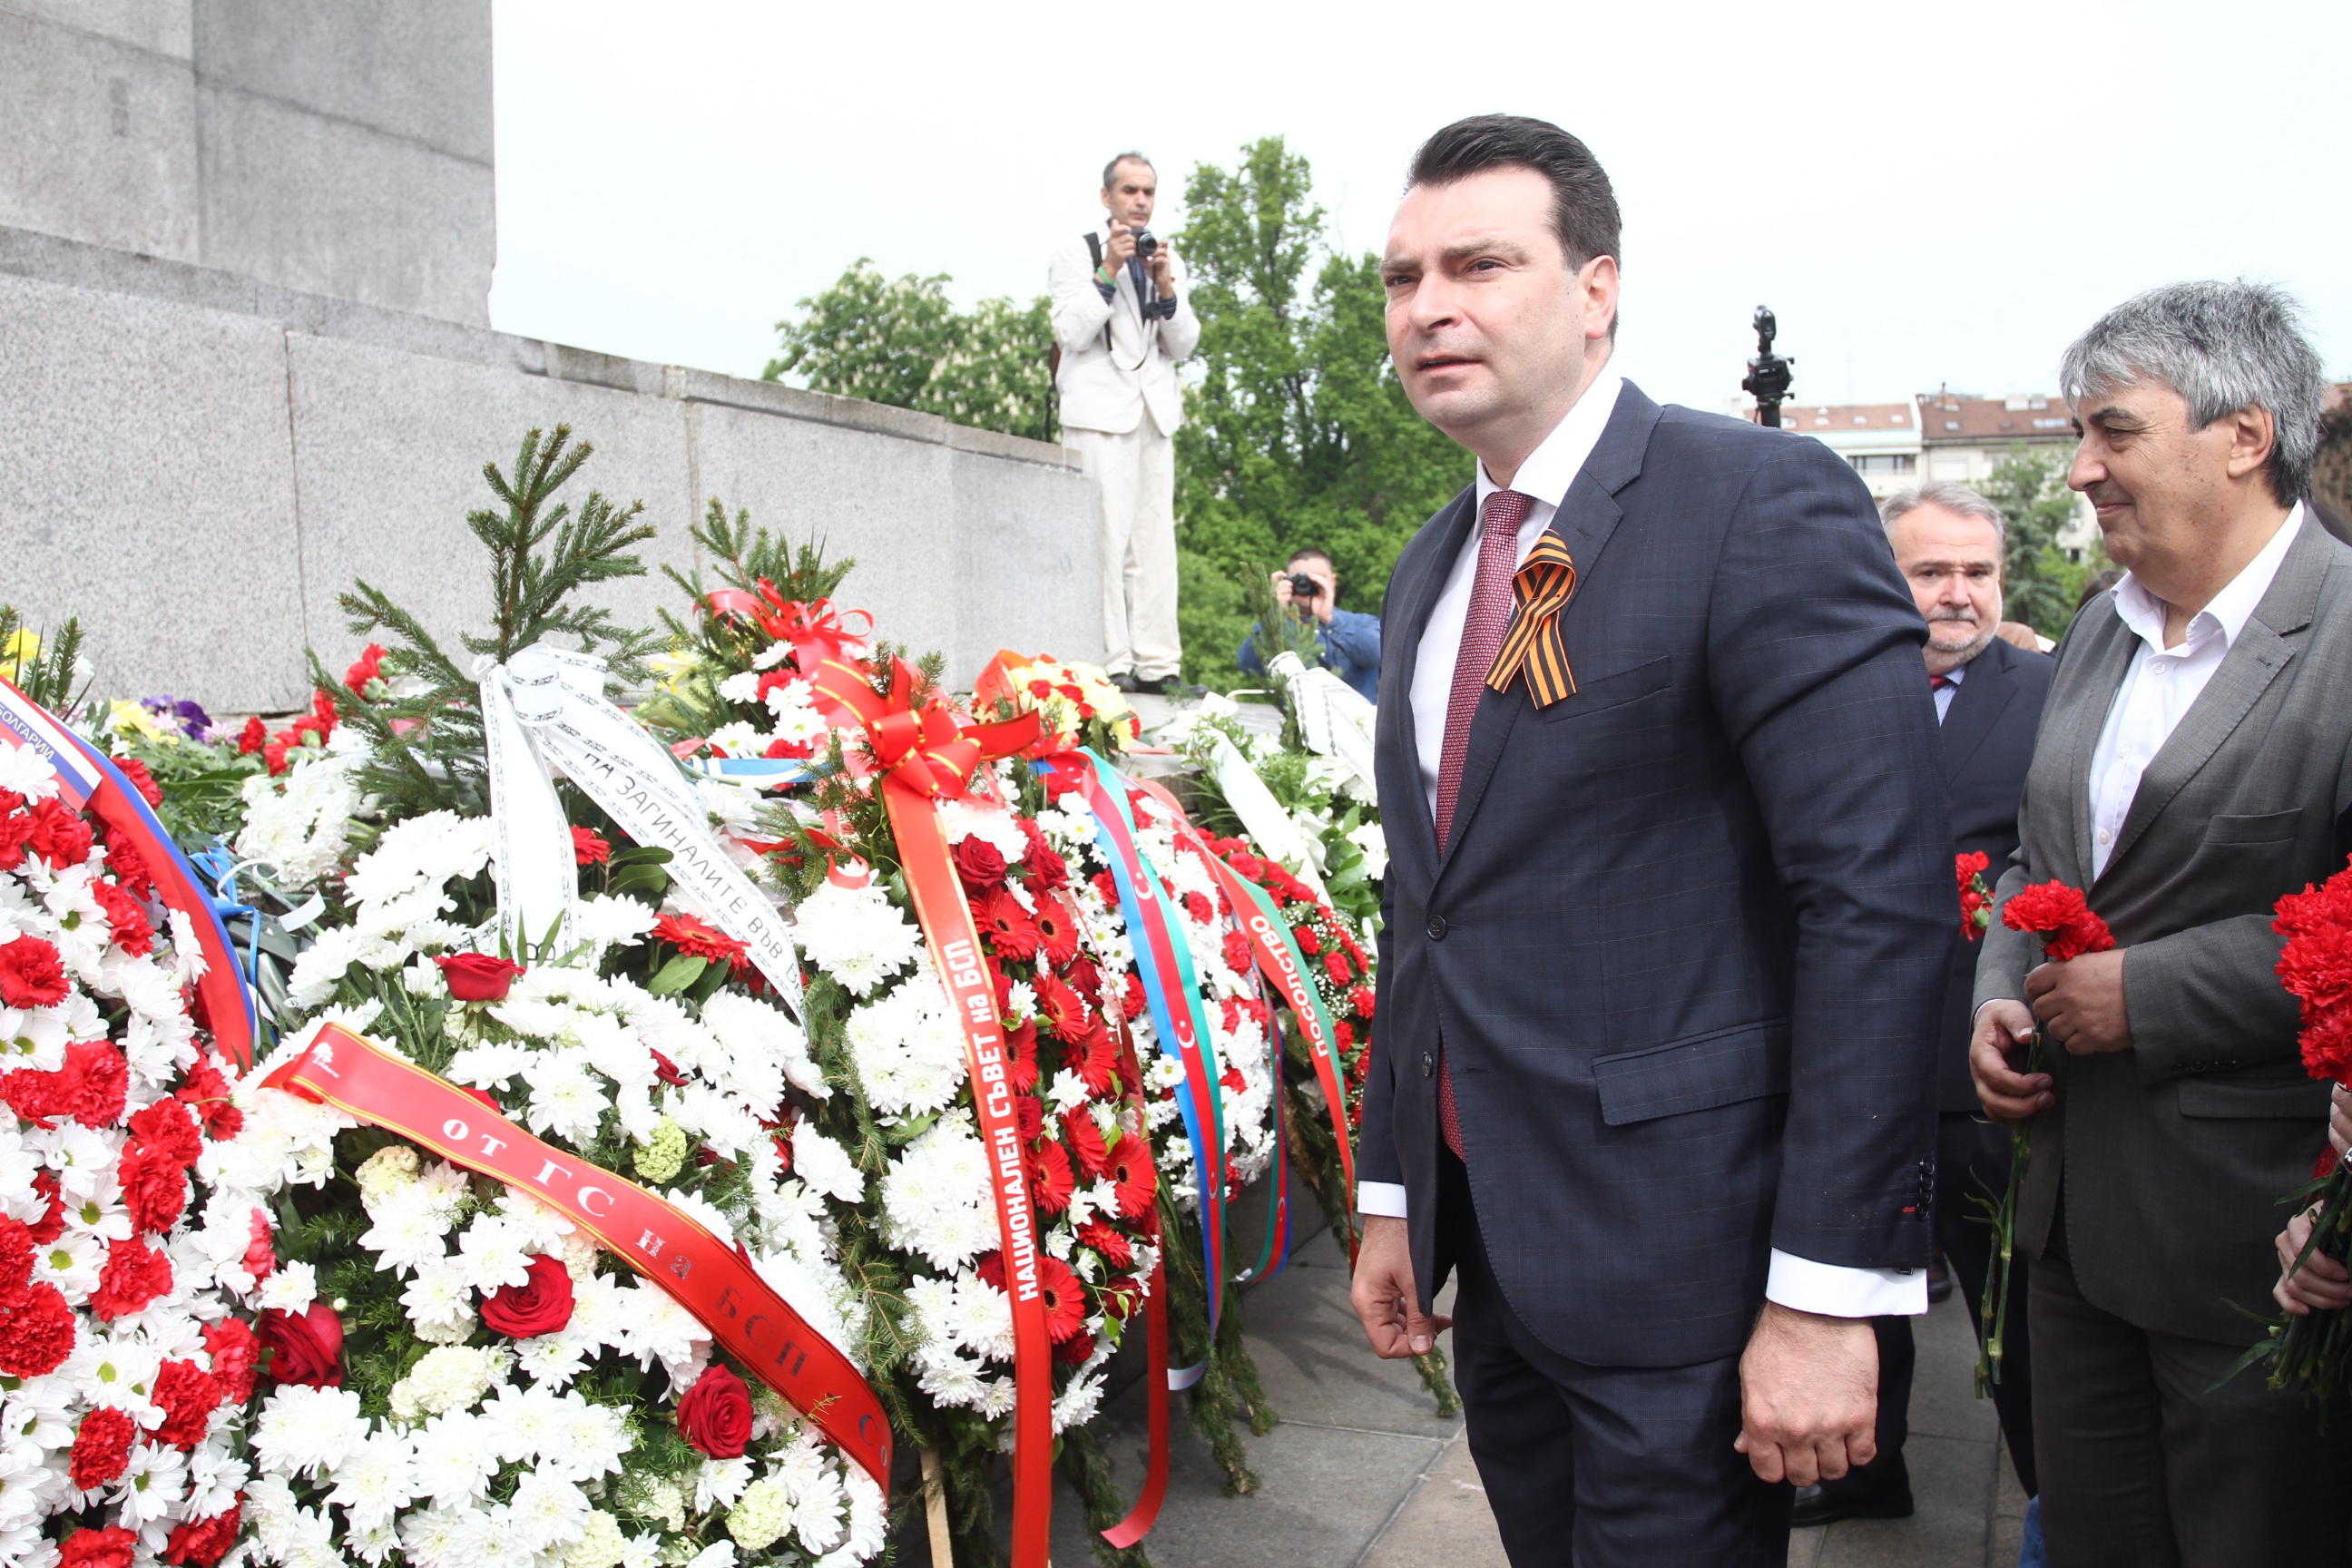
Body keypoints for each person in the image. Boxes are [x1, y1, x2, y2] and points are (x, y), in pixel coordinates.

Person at [1348, 114, 1950, 1565]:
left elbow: (1874, 904)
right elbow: (1431, 908)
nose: (1430, 308)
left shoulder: (1751, 501)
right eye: (1404, 277)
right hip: (1498, 1262)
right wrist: (1392, 1192)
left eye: (1480, 266)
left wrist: (1829, 1292)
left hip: (1697, 1273)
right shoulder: (1434, 562)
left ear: (1597, 289)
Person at [1970, 279, 2352, 1566]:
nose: (2081, 469)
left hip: (2257, 1238)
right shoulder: (2102, 628)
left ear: (2244, 437)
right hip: (2072, 1226)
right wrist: (1999, 997)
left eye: (2114, 432)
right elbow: (2038, 857)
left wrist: (2154, 993)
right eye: (2079, 434)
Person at [1796, 484, 2052, 1554]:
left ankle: (2058, 1503)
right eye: (1930, 571)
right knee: (1855, 1282)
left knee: (2018, 1315)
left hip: (1980, 1067)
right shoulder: (1821, 686)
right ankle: (1865, 1469)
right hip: (1843, 1055)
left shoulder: (2052, 694)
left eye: (1978, 572)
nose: (1957, 594)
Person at [1049, 152, 1200, 697]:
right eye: (1130, 191)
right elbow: (1070, 332)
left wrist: (1166, 287)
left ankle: (1160, 666)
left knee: (1156, 544)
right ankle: (1108, 662)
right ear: (1107, 196)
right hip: (1098, 412)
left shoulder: (1165, 254)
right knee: (1104, 540)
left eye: (1148, 192)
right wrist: (1108, 270)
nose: (1140, 201)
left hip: (1153, 412)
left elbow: (1184, 343)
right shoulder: (1078, 251)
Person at [1236, 547, 1383, 701]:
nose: (1308, 585)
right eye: (1300, 579)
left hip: (1357, 714)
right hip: (1295, 715)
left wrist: (1330, 620)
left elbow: (1377, 656)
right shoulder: (1278, 629)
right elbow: (1248, 665)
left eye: (1318, 578)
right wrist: (1272, 615)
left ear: (1332, 581)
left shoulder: (1361, 623)